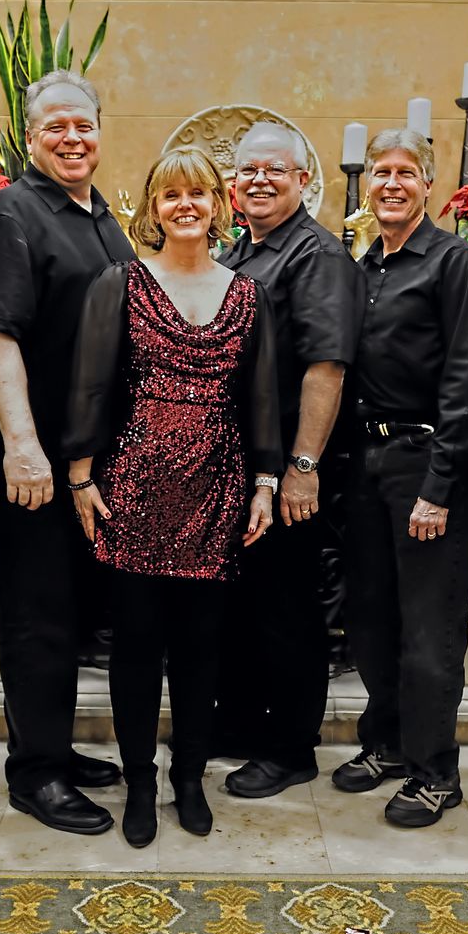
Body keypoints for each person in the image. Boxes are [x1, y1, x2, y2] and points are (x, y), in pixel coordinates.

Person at [64, 146, 282, 847]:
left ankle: (189, 779)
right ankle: (139, 781)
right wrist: (80, 477)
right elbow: (90, 385)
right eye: (171, 195)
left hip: (217, 488)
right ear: (154, 209)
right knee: (134, 646)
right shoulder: (119, 283)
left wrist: (266, 483)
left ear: (219, 205)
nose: (185, 206)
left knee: (200, 647)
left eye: (198, 194)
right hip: (134, 488)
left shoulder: (248, 293)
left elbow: (262, 397)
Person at [0, 70, 136, 836]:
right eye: (55, 126)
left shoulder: (99, 215)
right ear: (30, 137)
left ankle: (56, 746)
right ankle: (35, 773)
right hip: (34, 460)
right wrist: (22, 445)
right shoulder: (12, 214)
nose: (72, 138)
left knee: (68, 613)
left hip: (88, 463)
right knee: (36, 613)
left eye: (83, 125)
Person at [335, 129, 468, 827]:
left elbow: (465, 377)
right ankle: (388, 744)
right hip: (365, 463)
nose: (391, 183)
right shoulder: (365, 265)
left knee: (430, 629)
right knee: (372, 619)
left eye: (406, 172)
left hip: (426, 461)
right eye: (380, 172)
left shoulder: (454, 262)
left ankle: (436, 772)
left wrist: (439, 483)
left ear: (429, 184)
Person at [213, 122, 363, 799]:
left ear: (303, 180)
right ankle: (246, 726)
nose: (260, 180)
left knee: (289, 609)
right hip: (240, 467)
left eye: (276, 169)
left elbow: (326, 367)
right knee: (247, 606)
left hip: (287, 470)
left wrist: (303, 467)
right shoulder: (240, 251)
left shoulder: (316, 255)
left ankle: (290, 748)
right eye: (249, 170)